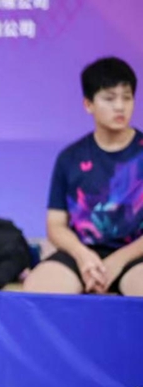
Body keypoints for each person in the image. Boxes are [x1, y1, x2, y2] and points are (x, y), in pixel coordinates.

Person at [23, 57, 143, 296]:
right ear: (88, 104)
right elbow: (55, 225)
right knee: (37, 290)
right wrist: (83, 257)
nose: (120, 106)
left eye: (127, 97)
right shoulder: (70, 157)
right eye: (110, 98)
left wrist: (118, 260)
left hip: (134, 254)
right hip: (81, 253)